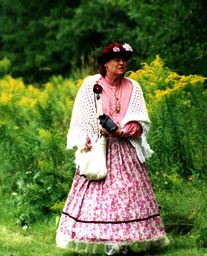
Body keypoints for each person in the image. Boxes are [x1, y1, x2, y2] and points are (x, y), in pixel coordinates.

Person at [56, 42, 169, 255]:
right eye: (117, 59)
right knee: (100, 194)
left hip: (125, 149)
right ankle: (110, 242)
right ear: (105, 64)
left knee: (127, 194)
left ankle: (124, 242)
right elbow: (81, 120)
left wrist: (122, 132)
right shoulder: (91, 85)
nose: (121, 62)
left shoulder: (133, 87)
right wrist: (86, 140)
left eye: (124, 59)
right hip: (100, 150)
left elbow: (140, 122)